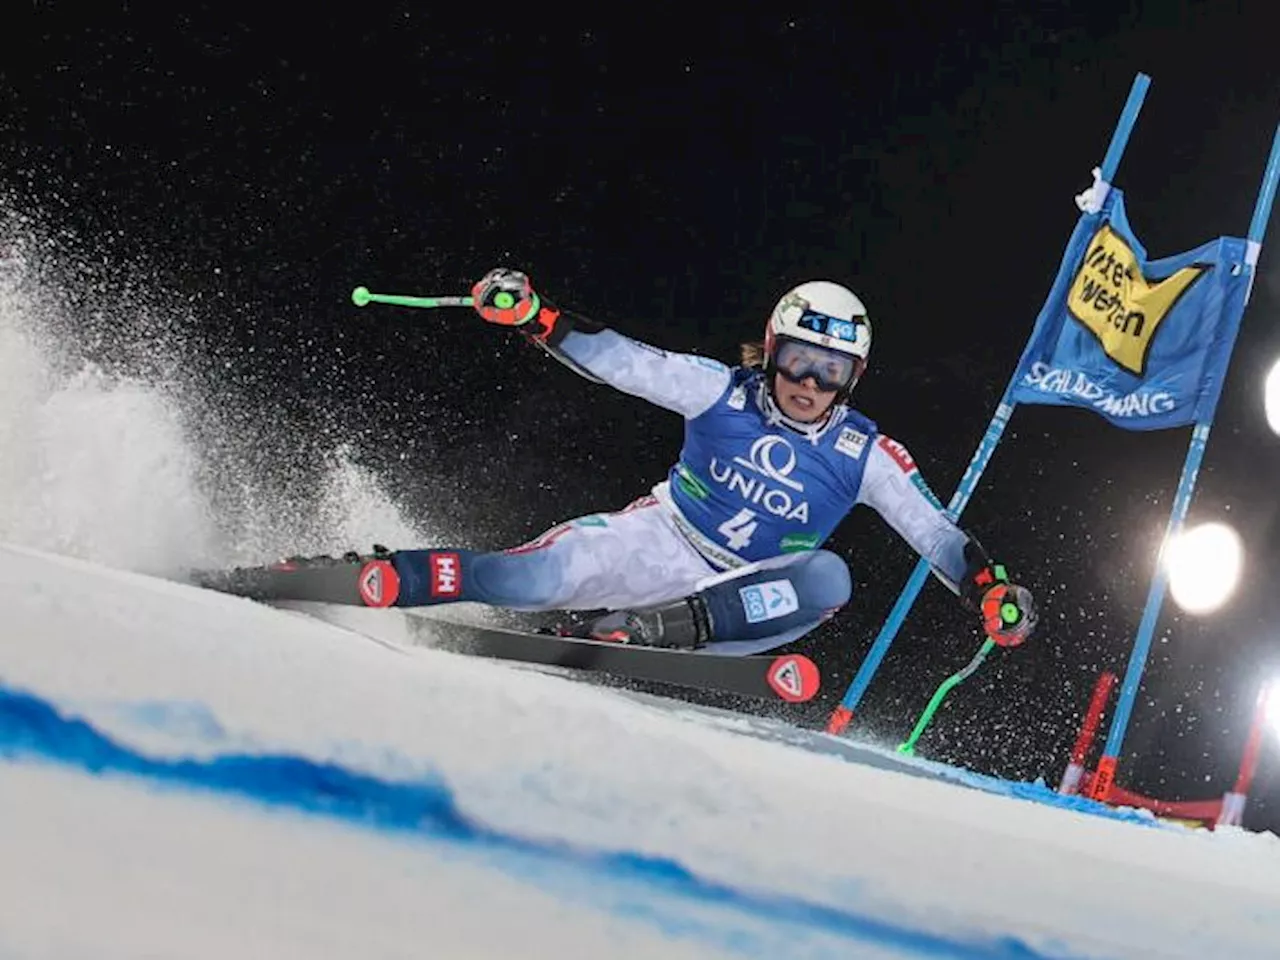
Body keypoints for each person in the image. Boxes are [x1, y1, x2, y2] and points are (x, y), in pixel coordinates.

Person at [319, 267, 1034, 657]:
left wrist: (989, 589)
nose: (809, 385)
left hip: (748, 602)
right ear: (772, 350)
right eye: (798, 361)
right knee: (528, 576)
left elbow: (937, 535)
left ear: (854, 379)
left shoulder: (864, 452)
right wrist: (539, 318)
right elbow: (626, 362)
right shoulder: (721, 389)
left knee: (828, 577)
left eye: (831, 372)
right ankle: (393, 574)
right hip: (662, 540)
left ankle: (642, 631)